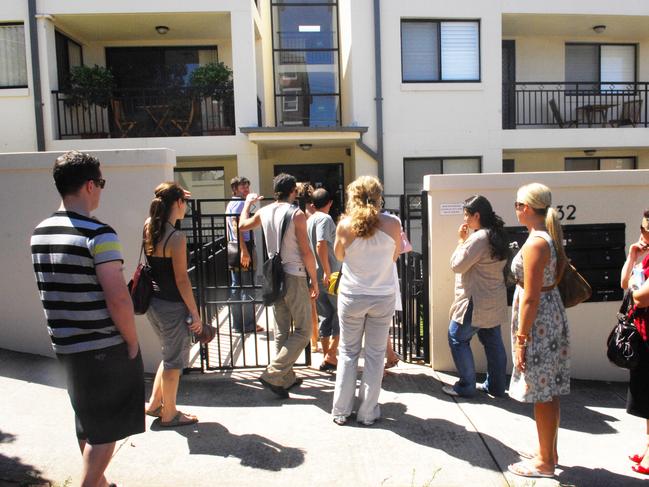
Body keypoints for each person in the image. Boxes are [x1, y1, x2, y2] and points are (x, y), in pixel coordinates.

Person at [30, 150, 144, 487]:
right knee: (107, 428)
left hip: (65, 345)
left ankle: (101, 483)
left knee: (88, 420)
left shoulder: (40, 232)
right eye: (102, 183)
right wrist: (132, 341)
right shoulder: (98, 233)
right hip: (103, 346)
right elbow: (118, 296)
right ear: (91, 185)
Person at [507, 183, 570, 479]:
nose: (516, 209)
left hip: (539, 322)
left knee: (542, 392)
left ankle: (545, 462)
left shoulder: (536, 242)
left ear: (527, 208)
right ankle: (549, 452)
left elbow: (531, 296)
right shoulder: (546, 237)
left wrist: (521, 340)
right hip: (549, 316)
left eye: (518, 205)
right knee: (549, 390)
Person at [239, 173, 319, 398]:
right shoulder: (297, 214)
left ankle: (285, 379)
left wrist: (248, 204)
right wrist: (314, 279)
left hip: (274, 276)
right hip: (294, 275)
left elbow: (243, 225)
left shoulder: (264, 211)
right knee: (304, 331)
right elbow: (306, 251)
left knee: (282, 331)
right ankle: (274, 374)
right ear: (293, 191)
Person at [331, 176, 401, 426]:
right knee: (375, 354)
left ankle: (341, 410)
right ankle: (368, 412)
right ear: (379, 196)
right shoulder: (393, 223)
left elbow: (339, 256)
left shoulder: (345, 225)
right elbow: (394, 257)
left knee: (348, 353)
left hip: (352, 295)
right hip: (382, 295)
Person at [143, 182, 202, 427]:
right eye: (184, 202)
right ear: (178, 203)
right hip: (171, 307)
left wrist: (173, 192)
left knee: (169, 355)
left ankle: (155, 404)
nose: (186, 206)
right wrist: (195, 314)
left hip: (153, 304)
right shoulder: (176, 238)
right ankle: (170, 414)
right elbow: (182, 279)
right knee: (174, 362)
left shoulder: (149, 227)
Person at [442, 195, 508, 398]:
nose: (465, 220)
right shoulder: (498, 234)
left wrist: (461, 242)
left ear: (477, 215)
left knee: (456, 337)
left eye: (466, 215)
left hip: (475, 300)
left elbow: (457, 265)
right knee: (492, 341)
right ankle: (496, 387)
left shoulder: (479, 238)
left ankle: (466, 386)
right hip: (494, 298)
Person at [621, 211, 649, 475]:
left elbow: (641, 297)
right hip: (643, 333)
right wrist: (632, 257)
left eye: (646, 231)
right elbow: (624, 283)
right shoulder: (646, 256)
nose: (643, 236)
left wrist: (633, 286)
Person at [307, 188, 341, 371]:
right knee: (341, 313)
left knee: (325, 315)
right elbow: (321, 243)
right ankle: (332, 354)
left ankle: (328, 357)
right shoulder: (324, 219)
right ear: (330, 203)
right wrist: (328, 271)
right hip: (331, 275)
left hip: (315, 274)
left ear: (312, 205)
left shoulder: (308, 219)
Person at [226, 176, 263, 334]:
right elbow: (237, 226)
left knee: (237, 286)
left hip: (232, 247)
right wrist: (244, 251)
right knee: (247, 286)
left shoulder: (232, 203)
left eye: (247, 186)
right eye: (242, 187)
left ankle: (237, 324)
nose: (246, 189)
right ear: (235, 189)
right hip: (242, 247)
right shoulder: (240, 203)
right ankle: (248, 324)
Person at [296, 182, 321, 353]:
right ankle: (314, 341)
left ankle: (306, 340)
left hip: (297, 262)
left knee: (298, 305)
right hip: (312, 261)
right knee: (312, 304)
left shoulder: (295, 214)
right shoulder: (312, 214)